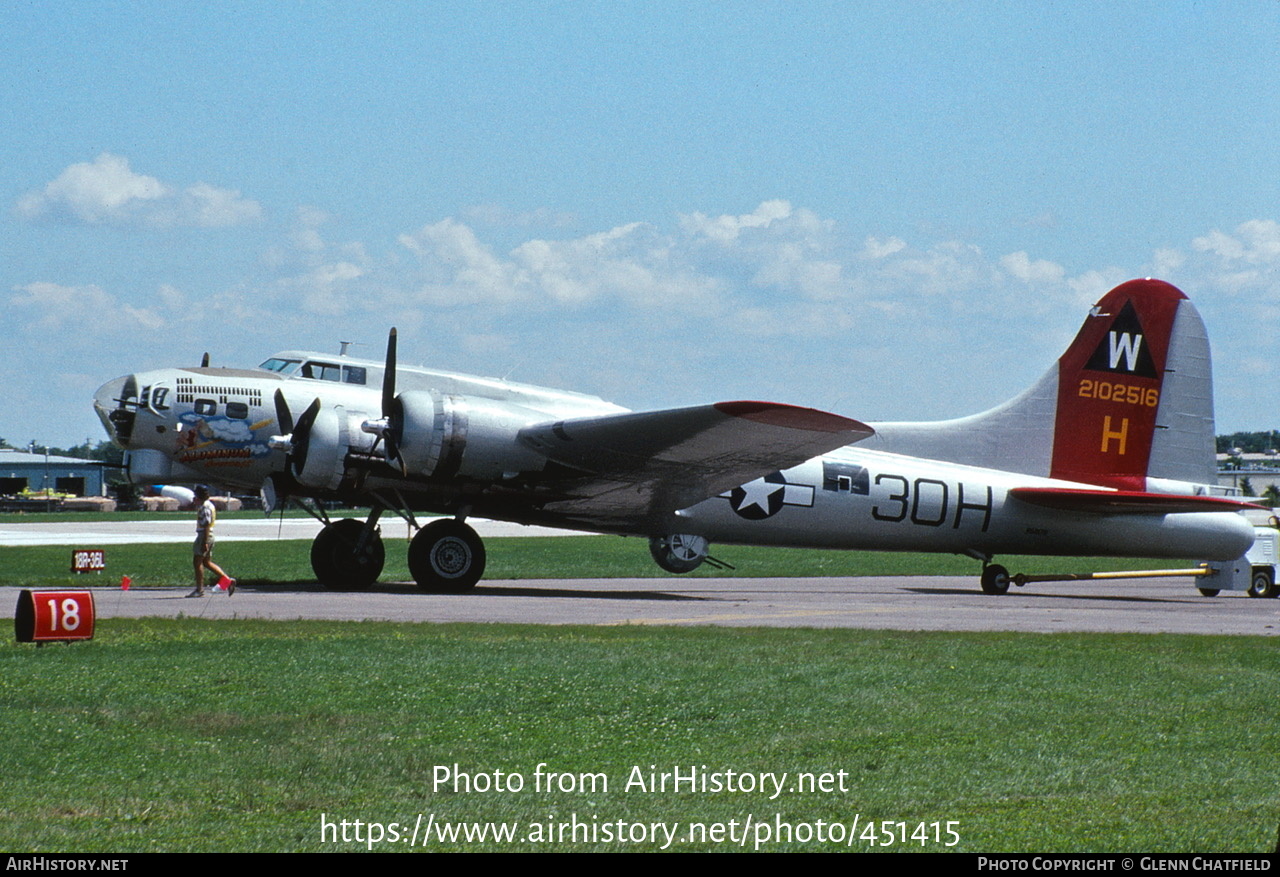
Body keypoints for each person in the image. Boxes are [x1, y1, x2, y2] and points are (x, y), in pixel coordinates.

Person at [187, 485, 236, 597]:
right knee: (206, 562)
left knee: (197, 562)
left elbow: (206, 525)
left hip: (204, 536)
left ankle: (199, 590)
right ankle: (227, 581)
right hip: (208, 536)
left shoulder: (205, 507)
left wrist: (204, 542)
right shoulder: (209, 505)